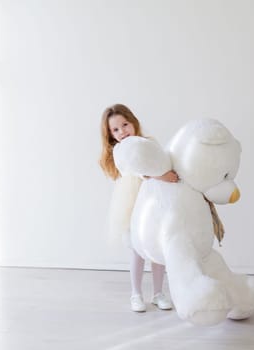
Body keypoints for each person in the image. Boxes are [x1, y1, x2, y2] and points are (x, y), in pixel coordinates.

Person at [99, 103, 178, 312]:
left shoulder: (148, 142)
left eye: (125, 125)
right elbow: (138, 170)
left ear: (133, 122)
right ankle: (136, 294)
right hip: (134, 203)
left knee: (157, 247)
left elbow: (161, 161)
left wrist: (165, 174)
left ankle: (159, 293)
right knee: (138, 250)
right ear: (110, 135)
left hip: (154, 200)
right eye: (115, 130)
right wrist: (161, 175)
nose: (122, 132)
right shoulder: (120, 150)